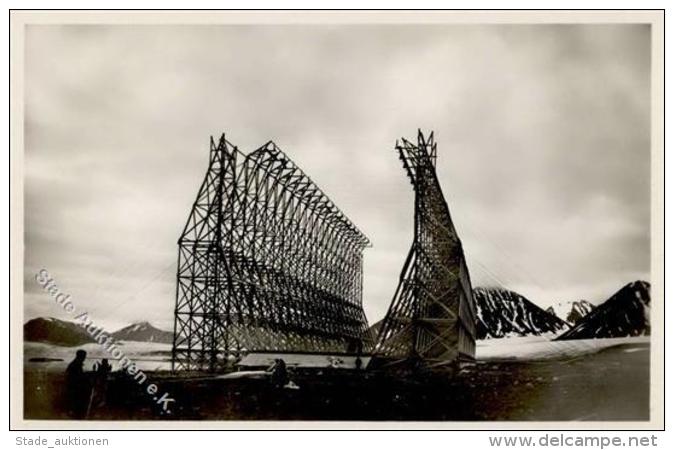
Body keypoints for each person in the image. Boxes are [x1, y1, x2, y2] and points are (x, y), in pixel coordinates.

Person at [64, 350, 90, 419]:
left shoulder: (75, 363)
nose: (85, 358)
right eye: (84, 356)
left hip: (73, 387)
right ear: (80, 356)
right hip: (75, 388)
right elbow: (77, 377)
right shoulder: (76, 364)